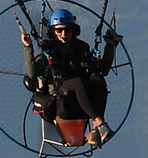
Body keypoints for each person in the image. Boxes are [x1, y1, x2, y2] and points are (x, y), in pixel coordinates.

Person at [22, 8, 122, 147]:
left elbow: (102, 70)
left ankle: (95, 130)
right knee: (78, 82)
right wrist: (28, 47)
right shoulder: (47, 49)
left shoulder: (81, 47)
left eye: (67, 30)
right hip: (60, 93)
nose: (64, 34)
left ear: (73, 30)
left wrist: (110, 46)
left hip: (80, 97)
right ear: (53, 31)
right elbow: (33, 73)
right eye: (59, 30)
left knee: (98, 80)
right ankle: (100, 123)